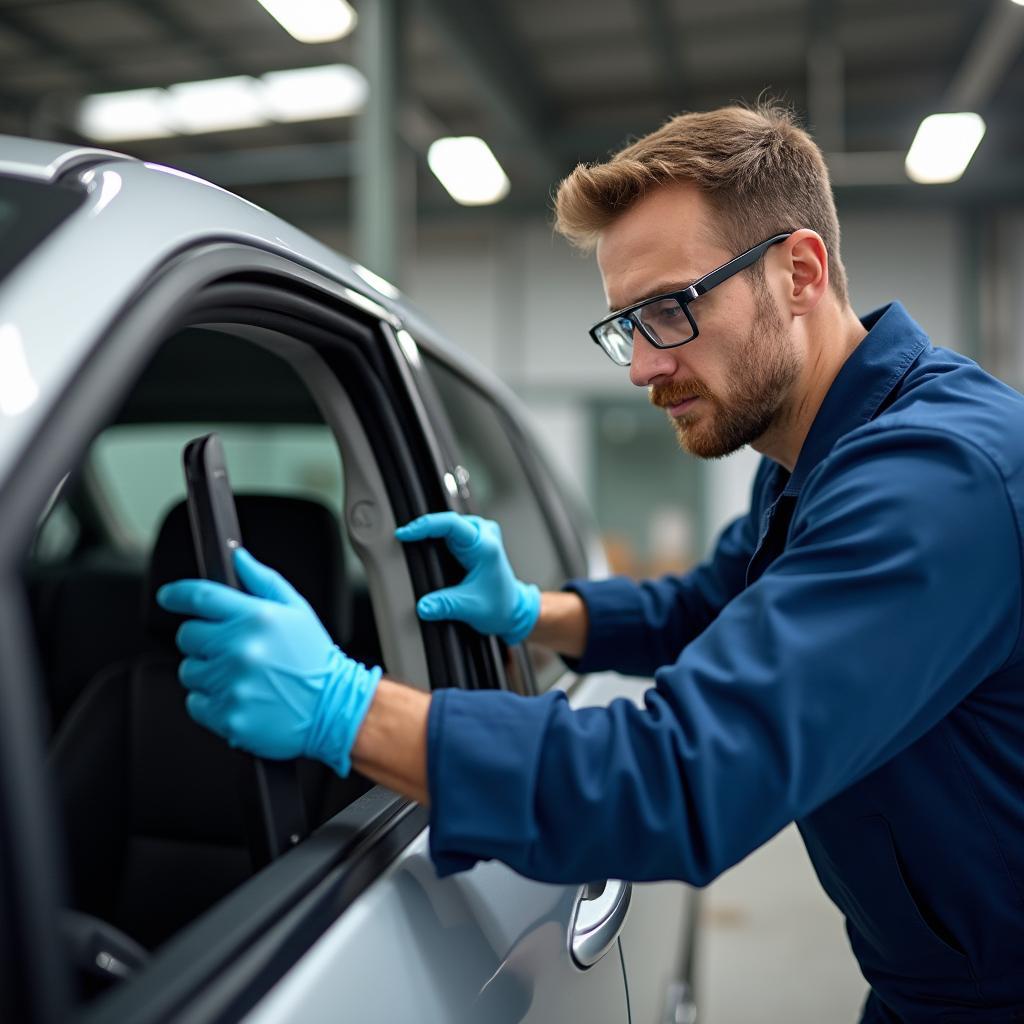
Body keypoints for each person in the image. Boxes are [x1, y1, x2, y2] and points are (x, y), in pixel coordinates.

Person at [156, 104, 1024, 1021]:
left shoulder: (935, 483)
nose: (643, 369)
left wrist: (346, 708)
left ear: (799, 271)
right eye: (626, 328)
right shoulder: (810, 462)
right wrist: (535, 612)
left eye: (670, 311)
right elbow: (707, 603)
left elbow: (681, 777)